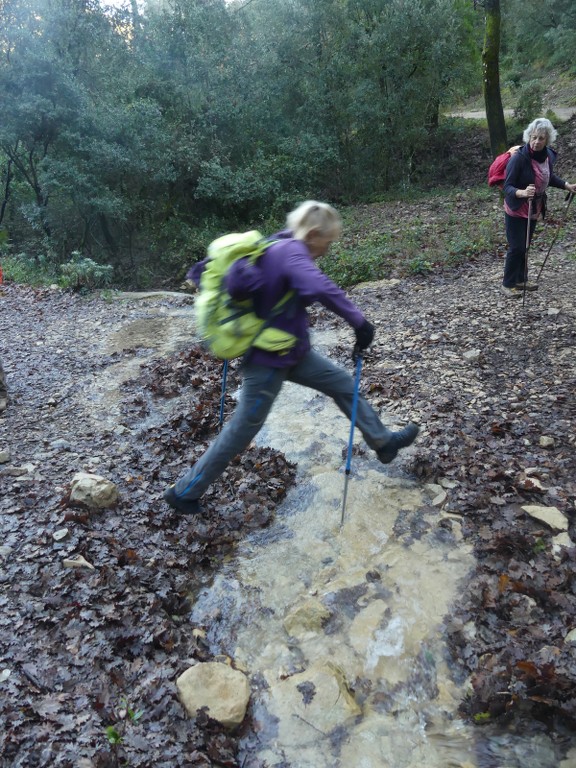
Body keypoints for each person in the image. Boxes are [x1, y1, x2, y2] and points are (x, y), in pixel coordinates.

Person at [164, 201, 419, 515]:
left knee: (341, 384)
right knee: (242, 428)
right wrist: (360, 322)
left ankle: (383, 443)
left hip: (294, 353)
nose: (328, 248)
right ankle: (185, 491)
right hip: (268, 362)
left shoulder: (280, 243)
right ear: (313, 234)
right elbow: (319, 285)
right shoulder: (291, 251)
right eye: (328, 242)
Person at [501, 117, 576, 298]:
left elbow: (547, 177)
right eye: (534, 137)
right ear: (529, 136)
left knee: (525, 246)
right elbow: (507, 187)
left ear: (547, 139)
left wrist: (567, 185)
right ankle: (507, 283)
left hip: (534, 208)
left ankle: (521, 279)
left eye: (541, 138)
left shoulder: (548, 155)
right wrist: (522, 193)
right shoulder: (519, 158)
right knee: (517, 246)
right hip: (517, 207)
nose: (536, 142)